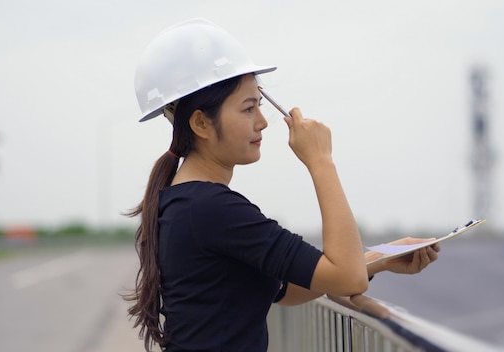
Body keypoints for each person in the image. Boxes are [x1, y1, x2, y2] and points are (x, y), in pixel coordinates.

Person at [125, 18, 440, 352]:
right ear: (201, 123)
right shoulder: (210, 208)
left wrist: (382, 257)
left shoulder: (188, 203)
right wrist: (321, 161)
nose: (262, 122)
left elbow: (285, 290)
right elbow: (348, 279)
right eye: (248, 109)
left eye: (260, 105)